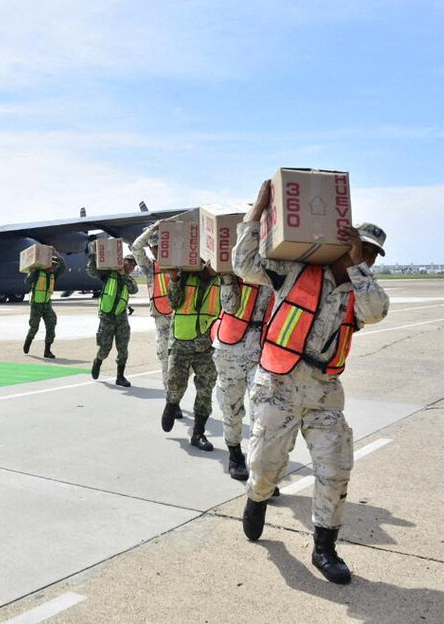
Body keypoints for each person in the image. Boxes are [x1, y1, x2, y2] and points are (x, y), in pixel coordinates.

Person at [236, 179, 390, 585]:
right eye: (363, 249)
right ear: (343, 243)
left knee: (336, 468)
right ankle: (257, 497)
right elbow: (244, 264)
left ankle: (325, 548)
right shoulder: (295, 271)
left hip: (324, 395)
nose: (368, 259)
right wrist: (257, 210)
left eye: (373, 255)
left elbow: (378, 312)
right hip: (278, 386)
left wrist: (358, 266)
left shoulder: (362, 290)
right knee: (266, 467)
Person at [213, 272, 274, 481]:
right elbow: (229, 306)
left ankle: (259, 474)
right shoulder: (239, 262)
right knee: (231, 407)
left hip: (263, 349)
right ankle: (235, 454)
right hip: (231, 348)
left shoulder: (280, 262)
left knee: (263, 413)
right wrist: (227, 277)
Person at [160, 260, 223, 452]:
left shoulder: (223, 281)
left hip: (207, 345)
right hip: (182, 340)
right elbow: (173, 302)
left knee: (205, 390)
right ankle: (172, 403)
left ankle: (198, 434)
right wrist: (174, 279)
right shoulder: (186, 277)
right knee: (176, 382)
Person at [132, 222, 176, 406]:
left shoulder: (178, 264)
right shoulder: (150, 268)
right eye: (154, 247)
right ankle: (171, 398)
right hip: (161, 318)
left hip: (180, 319)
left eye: (160, 246)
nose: (157, 251)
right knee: (164, 357)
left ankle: (176, 393)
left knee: (180, 361)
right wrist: (152, 230)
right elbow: (135, 247)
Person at [86, 252, 138, 387]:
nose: (132, 265)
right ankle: (98, 360)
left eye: (134, 264)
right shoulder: (108, 274)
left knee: (123, 348)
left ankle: (120, 377)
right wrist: (92, 256)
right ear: (123, 261)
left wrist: (124, 275)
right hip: (107, 317)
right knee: (105, 348)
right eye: (129, 262)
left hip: (121, 317)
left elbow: (134, 290)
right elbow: (91, 271)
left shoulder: (129, 279)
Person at [23, 251, 67, 359]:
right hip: (36, 304)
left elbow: (64, 267)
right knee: (34, 327)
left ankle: (47, 350)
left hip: (47, 304)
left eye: (55, 265)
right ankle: (28, 340)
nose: (54, 267)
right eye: (52, 264)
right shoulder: (38, 273)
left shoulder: (53, 274)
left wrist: (56, 253)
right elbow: (27, 282)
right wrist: (32, 272)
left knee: (51, 324)